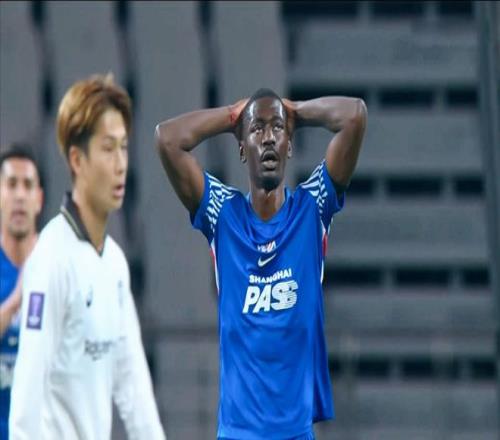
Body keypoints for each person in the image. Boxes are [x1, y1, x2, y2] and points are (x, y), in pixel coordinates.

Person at [155, 88, 367, 439]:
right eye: (257, 129)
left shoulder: (311, 209)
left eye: (278, 129)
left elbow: (354, 116)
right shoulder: (223, 215)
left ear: (289, 145)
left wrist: (294, 110)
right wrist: (232, 116)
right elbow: (167, 139)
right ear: (242, 149)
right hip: (238, 433)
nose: (268, 138)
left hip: (296, 432)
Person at [9, 74, 165, 440]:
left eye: (124, 147)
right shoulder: (51, 259)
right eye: (108, 149)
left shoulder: (115, 264)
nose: (121, 164)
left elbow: (135, 391)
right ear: (77, 160)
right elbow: (25, 403)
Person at [0, 145, 43, 439]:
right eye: (11, 184)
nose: (19, 195)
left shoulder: (56, 265)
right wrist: (15, 301)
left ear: (39, 199)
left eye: (27, 185)